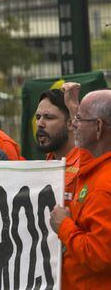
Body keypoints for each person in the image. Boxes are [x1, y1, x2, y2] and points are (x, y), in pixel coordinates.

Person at [50, 89, 111, 289]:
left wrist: (64, 226)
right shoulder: (94, 165)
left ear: (99, 127)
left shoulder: (103, 186)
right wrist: (74, 107)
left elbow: (99, 256)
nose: (73, 123)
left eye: (79, 118)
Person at [35, 87, 79, 206]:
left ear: (70, 123)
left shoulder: (85, 165)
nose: (40, 124)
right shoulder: (48, 162)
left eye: (48, 117)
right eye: (38, 117)